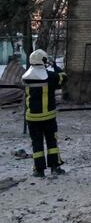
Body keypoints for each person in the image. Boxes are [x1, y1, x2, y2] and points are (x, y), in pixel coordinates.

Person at [22, 49, 67, 177]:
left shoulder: (25, 77)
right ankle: (54, 167)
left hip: (31, 118)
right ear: (44, 61)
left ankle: (39, 170)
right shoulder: (51, 77)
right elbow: (64, 78)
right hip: (48, 117)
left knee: (37, 142)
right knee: (51, 142)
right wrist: (56, 67)